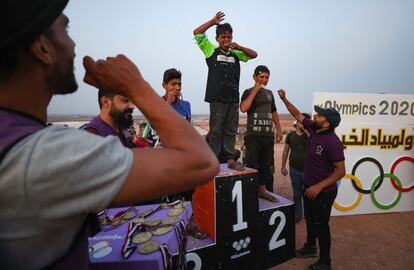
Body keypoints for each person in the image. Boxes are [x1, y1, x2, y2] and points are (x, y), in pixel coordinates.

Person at [0, 1, 219, 269]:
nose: (73, 45)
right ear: (43, 48)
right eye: (66, 30)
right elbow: (202, 163)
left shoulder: (16, 139)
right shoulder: (42, 154)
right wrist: (136, 85)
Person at [277, 89, 345, 270]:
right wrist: (284, 99)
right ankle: (310, 247)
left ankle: (325, 261)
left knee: (321, 225)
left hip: (323, 192)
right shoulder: (314, 129)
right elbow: (297, 114)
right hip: (309, 187)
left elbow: (340, 172)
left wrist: (318, 187)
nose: (316, 114)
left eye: (320, 114)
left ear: (327, 123)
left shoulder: (333, 142)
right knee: (310, 218)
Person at [193, 11, 257, 171]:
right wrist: (213, 22)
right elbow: (197, 32)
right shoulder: (211, 51)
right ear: (217, 39)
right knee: (215, 130)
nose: (226, 40)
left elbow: (254, 55)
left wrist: (240, 46)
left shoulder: (236, 53)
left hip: (233, 98)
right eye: (223, 37)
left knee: (230, 130)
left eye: (229, 37)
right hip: (217, 99)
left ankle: (230, 158)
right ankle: (213, 159)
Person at [240, 65, 282, 202]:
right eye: (261, 77)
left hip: (268, 136)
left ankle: (263, 191)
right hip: (253, 136)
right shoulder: (247, 92)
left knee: (266, 165)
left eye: (267, 77)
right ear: (254, 77)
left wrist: (279, 130)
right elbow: (243, 108)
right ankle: (251, 194)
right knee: (252, 165)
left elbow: (274, 112)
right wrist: (255, 90)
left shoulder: (270, 93)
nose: (264, 79)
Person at [281, 113, 311, 223]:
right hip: (294, 169)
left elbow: (314, 142)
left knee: (308, 194)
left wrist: (307, 131)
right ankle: (297, 216)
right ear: (297, 122)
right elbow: (285, 151)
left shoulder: (311, 136)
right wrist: (283, 166)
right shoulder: (291, 136)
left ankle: (309, 216)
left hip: (309, 171)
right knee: (297, 194)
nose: (302, 124)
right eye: (301, 121)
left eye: (305, 122)